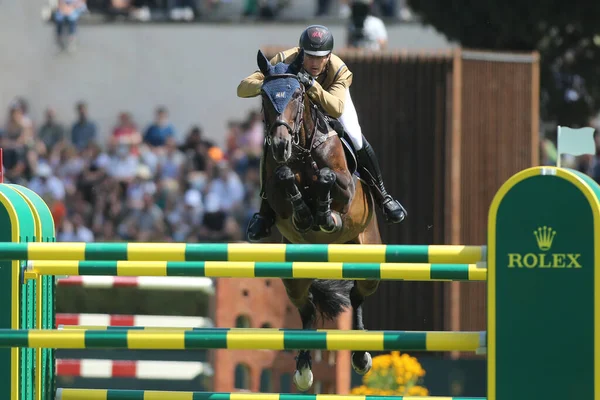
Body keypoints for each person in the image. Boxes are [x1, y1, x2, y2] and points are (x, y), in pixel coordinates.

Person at [237, 24, 407, 242]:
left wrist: (312, 86)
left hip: (331, 102)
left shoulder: (340, 70)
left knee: (355, 136)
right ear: (300, 52)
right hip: (298, 110)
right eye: (309, 57)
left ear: (329, 55)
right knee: (274, 141)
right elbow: (243, 88)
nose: (315, 63)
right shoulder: (284, 60)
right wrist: (268, 83)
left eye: (321, 57)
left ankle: (383, 196)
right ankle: (265, 210)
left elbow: (335, 107)